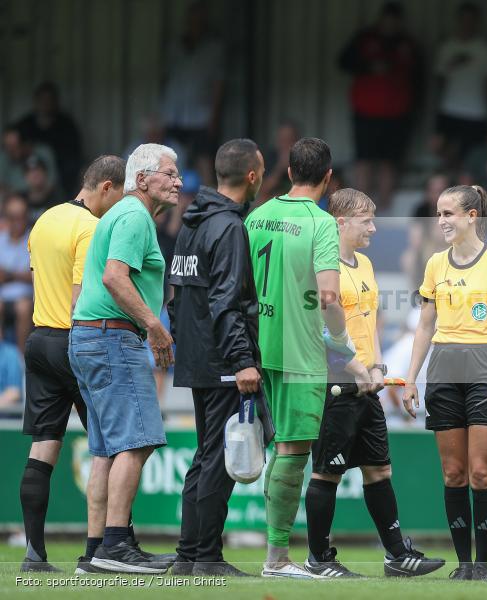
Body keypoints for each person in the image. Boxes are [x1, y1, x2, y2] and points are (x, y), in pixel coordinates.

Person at [302, 188, 445, 579]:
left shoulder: (364, 263)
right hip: (337, 385)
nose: (374, 227)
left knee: (379, 470)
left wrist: (378, 367)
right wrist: (356, 369)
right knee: (327, 473)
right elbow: (319, 330)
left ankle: (397, 555)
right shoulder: (323, 265)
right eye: (366, 220)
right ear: (340, 222)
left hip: (369, 386)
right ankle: (318, 559)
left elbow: (372, 320)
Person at [69, 143, 181, 573]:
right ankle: (116, 546)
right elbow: (114, 277)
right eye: (169, 174)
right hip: (113, 338)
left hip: (89, 337)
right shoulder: (135, 215)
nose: (177, 181)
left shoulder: (119, 214)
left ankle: (95, 549)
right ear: (141, 180)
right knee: (137, 440)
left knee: (105, 451)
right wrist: (154, 324)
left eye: (177, 174)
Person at [403, 185, 487, 581]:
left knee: (480, 473)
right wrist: (410, 378)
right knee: (453, 472)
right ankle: (463, 564)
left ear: (472, 216)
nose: (440, 221)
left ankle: (483, 565)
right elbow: (424, 324)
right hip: (442, 370)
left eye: (448, 213)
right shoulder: (436, 263)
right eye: (438, 214)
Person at [246, 137, 350, 579]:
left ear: (288, 173)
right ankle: (277, 559)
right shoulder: (321, 222)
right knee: (292, 448)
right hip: (299, 350)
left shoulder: (257, 216)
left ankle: (269, 554)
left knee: (279, 447)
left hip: (255, 345)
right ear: (328, 177)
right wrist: (343, 342)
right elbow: (328, 293)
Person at [167, 139, 271, 577]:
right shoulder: (229, 228)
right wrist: (242, 360)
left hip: (195, 356)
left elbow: (176, 296)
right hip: (223, 361)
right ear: (252, 175)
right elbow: (227, 303)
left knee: (205, 455)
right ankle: (207, 557)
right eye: (262, 170)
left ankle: (188, 554)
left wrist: (184, 343)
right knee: (221, 459)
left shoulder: (191, 223)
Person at [18, 155, 125, 574]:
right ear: (106, 187)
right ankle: (100, 550)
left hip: (39, 338)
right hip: (75, 340)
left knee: (43, 448)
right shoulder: (91, 228)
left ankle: (34, 555)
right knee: (110, 448)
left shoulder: (44, 219)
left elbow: (38, 278)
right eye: (117, 197)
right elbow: (81, 297)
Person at [338, 2, 423, 206]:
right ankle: (361, 209)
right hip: (366, 111)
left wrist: (413, 107)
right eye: (387, 20)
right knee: (364, 161)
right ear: (381, 20)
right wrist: (368, 66)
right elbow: (343, 62)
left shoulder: (407, 44)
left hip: (397, 113)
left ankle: (384, 208)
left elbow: (419, 79)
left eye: (395, 21)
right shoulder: (365, 38)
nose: (391, 25)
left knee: (389, 163)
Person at [160, 1, 225, 185]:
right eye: (192, 19)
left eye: (199, 19)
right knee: (171, 160)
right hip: (174, 114)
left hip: (201, 116)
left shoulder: (214, 48)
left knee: (204, 161)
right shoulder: (176, 46)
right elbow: (166, 78)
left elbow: (219, 83)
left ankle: (209, 204)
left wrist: (214, 117)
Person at [433, 2, 487, 167]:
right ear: (458, 21)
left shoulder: (484, 49)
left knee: (472, 155)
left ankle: (465, 188)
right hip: (449, 107)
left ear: (477, 22)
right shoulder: (447, 47)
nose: (467, 24)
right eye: (464, 19)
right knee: (439, 146)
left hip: (476, 110)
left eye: (471, 20)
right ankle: (449, 182)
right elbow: (439, 78)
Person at [16, 82, 83, 195]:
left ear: (56, 102)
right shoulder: (25, 125)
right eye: (42, 100)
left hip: (60, 177)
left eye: (49, 100)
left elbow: (74, 154)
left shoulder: (66, 124)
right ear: (36, 101)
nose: (45, 103)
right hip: (27, 174)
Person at [0, 195, 34, 354]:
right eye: (13, 217)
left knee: (23, 307)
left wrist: (10, 275)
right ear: (6, 218)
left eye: (21, 216)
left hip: (26, 296)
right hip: (3, 295)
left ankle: (21, 362)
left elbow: (35, 275)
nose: (18, 221)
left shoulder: (34, 239)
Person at [0, 125, 58, 197]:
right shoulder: (5, 157)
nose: (10, 150)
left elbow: (51, 184)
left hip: (46, 201)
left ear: (26, 143)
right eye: (7, 146)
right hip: (15, 203)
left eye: (15, 146)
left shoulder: (43, 152)